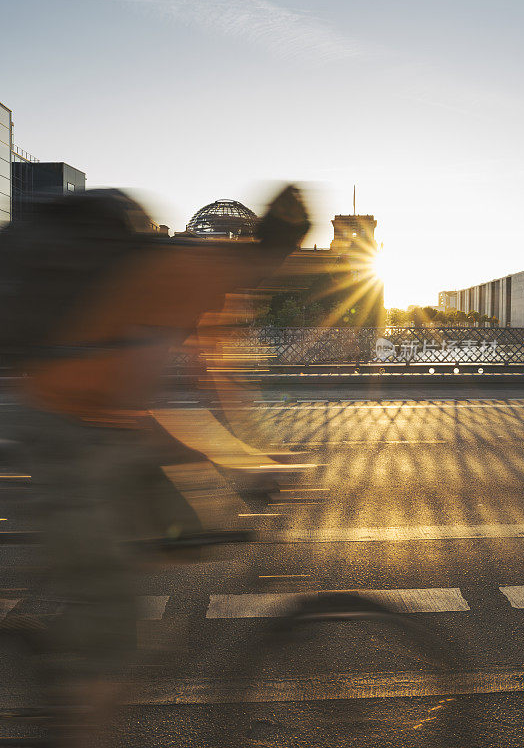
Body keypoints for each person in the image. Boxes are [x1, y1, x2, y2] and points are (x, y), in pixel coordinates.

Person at [15, 184, 310, 747]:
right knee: (112, 618)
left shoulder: (214, 284)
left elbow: (222, 387)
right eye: (287, 261)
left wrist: (256, 457)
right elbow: (159, 404)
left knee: (189, 525)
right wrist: (243, 464)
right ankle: (88, 680)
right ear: (271, 251)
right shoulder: (187, 273)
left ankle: (106, 613)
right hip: (63, 425)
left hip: (109, 422)